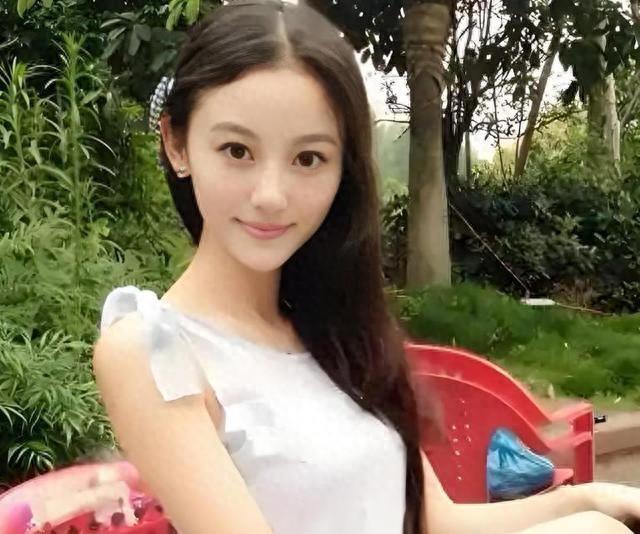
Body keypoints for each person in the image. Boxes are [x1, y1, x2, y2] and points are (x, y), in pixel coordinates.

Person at [92, 1, 640, 533]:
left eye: (308, 158)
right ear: (177, 143)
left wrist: (590, 500)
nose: (271, 196)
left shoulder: (333, 332)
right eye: (237, 150)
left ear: (343, 172)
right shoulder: (154, 349)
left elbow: (434, 522)